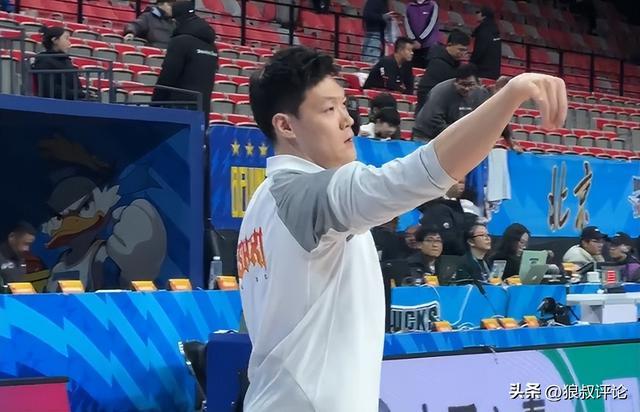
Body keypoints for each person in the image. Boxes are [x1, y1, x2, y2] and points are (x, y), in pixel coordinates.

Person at [240, 44, 566, 411]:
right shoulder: (308, 196)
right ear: (285, 125)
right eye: (329, 109)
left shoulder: (262, 202)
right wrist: (509, 97)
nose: (348, 120)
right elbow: (422, 173)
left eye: (345, 105)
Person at [152, 1, 218, 121]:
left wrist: (155, 103)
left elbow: (168, 76)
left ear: (177, 19)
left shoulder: (180, 42)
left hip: (178, 108)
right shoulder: (212, 47)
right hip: (202, 109)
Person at [413, 64, 489, 141]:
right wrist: (456, 135)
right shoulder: (440, 91)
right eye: (463, 84)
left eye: (471, 84)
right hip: (427, 135)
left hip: (456, 135)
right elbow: (432, 120)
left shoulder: (482, 94)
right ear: (455, 82)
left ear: (478, 82)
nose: (466, 88)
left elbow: (484, 117)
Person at [415, 29, 470, 113]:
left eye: (465, 50)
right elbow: (425, 90)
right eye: (460, 49)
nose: (462, 53)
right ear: (449, 45)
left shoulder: (455, 64)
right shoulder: (438, 63)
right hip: (429, 110)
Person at [32, 27, 86, 100]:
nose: (69, 43)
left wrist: (81, 94)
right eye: (66, 38)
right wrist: (78, 94)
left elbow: (77, 86)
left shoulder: (66, 61)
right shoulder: (44, 61)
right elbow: (49, 89)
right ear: (55, 40)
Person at [419, 178, 467, 256]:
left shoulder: (465, 203)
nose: (462, 187)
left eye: (464, 183)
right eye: (459, 182)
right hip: (445, 255)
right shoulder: (435, 206)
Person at [404, 0, 440, 69]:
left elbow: (431, 24)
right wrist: (413, 39)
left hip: (429, 45)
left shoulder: (433, 5)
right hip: (414, 46)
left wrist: (420, 40)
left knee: (428, 70)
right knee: (415, 70)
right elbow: (407, 24)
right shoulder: (409, 6)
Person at [470, 6, 501, 80]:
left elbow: (479, 50)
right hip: (494, 70)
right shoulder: (495, 29)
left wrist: (471, 63)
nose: (476, 14)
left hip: (482, 71)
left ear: (484, 15)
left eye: (478, 12)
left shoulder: (483, 30)